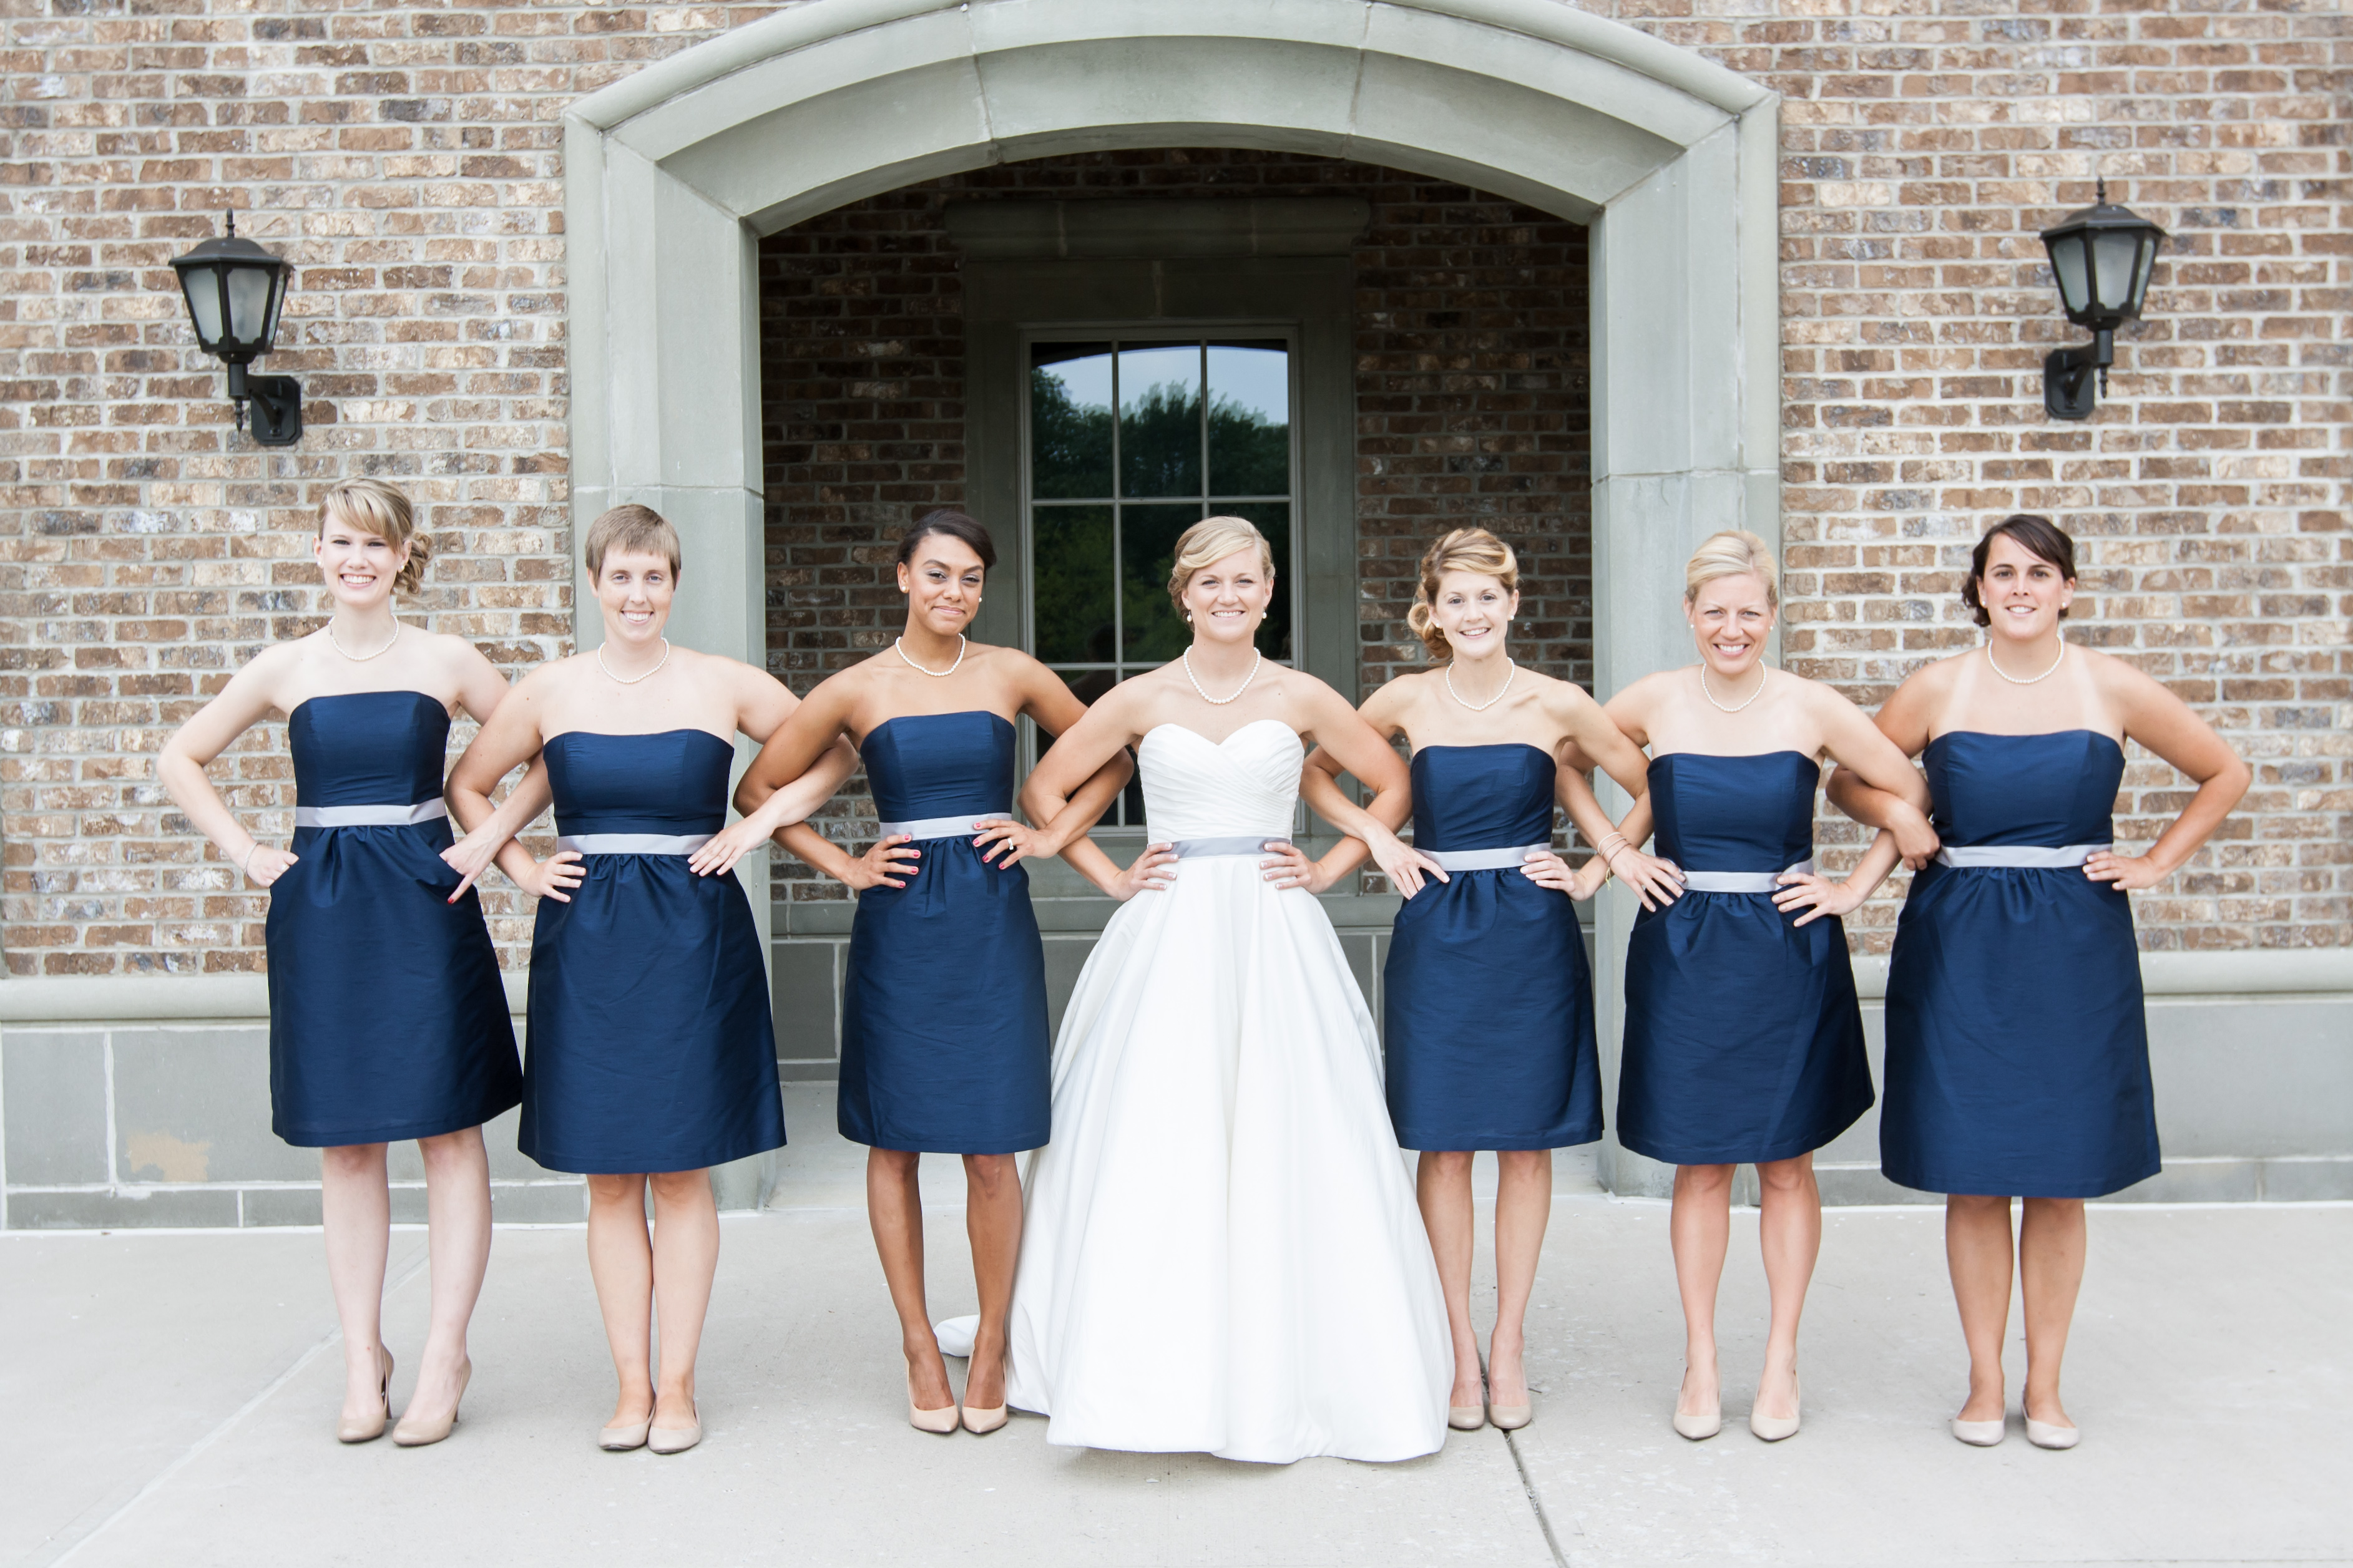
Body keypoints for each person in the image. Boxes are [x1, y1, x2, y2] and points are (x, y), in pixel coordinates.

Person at [1000, 514, 1454, 1464]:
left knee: (1289, 1121)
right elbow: (1044, 792)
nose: (1228, 595)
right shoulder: (1140, 697)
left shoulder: (1300, 694)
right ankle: (1144, 1358)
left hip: (1271, 924)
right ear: (1183, 594)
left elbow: (1393, 783)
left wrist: (1329, 867)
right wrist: (1108, 873)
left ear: (1268, 590)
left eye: (1244, 580)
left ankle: (1296, 1357)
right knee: (1159, 1124)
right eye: (1209, 581)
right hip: (1167, 926)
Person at [1827, 514, 2248, 1450]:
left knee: (2060, 1177)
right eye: (2003, 573)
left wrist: (2154, 861)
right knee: (1972, 1173)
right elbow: (1844, 781)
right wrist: (1902, 812)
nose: (2020, 588)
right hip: (1958, 942)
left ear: (2068, 589)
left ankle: (2046, 1386)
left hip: (2074, 948)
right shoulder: (1937, 686)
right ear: (1978, 590)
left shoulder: (2110, 684)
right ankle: (1984, 1384)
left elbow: (2224, 771)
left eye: (2039, 572)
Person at [446, 503, 856, 1456]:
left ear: (674, 583)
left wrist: (759, 824)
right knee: (608, 1176)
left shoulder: (723, 681)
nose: (638, 594)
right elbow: (468, 784)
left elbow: (838, 749)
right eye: (622, 576)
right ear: (595, 582)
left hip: (693, 934)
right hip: (587, 938)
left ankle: (677, 1387)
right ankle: (628, 1386)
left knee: (680, 1168)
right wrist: (523, 870)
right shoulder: (549, 688)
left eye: (655, 577)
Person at [710, 509, 1129, 1437]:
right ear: (903, 576)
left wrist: (1049, 834)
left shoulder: (1012, 672)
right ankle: (914, 1340)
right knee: (892, 1140)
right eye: (938, 573)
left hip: (990, 918)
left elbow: (1113, 755)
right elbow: (757, 792)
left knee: (991, 1141)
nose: (954, 591)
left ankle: (993, 1342)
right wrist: (845, 863)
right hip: (899, 922)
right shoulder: (855, 687)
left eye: (971, 577)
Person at [159, 477, 547, 1447]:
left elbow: (550, 745)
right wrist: (245, 850)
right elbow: (179, 757)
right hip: (323, 910)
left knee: (448, 1129)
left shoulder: (447, 659)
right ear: (319, 551)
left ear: (403, 554)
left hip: (423, 900)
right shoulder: (284, 666)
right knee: (346, 1141)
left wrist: (492, 838)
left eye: (376, 543)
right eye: (341, 541)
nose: (357, 559)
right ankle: (361, 1358)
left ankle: (445, 1355)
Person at [1565, 528, 1930, 1443]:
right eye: (1715, 612)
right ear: (1689, 614)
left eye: (1749, 613)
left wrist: (1852, 887)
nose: (1732, 628)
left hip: (1786, 951)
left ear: (1772, 615)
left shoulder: (1811, 705)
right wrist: (1615, 852)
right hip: (1684, 950)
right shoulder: (1654, 698)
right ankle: (1700, 1359)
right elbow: (1562, 761)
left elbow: (1909, 791)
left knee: (1785, 1162)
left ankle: (1780, 1358)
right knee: (1698, 1162)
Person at [1296, 525, 1662, 1434]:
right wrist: (1376, 836)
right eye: (1455, 599)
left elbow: (1655, 781)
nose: (1473, 613)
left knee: (1526, 1144)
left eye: (1487, 596)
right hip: (1438, 928)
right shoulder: (1405, 697)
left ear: (1512, 602)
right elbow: (1315, 772)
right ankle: (1457, 1344)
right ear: (1433, 609)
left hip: (1531, 932)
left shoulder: (1557, 701)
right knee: (1445, 1141)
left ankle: (1509, 1341)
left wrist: (1597, 867)